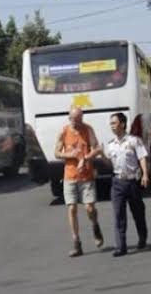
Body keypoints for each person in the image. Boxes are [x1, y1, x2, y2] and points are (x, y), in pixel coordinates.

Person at [97, 112, 150, 257]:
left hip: (132, 181)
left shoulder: (134, 141)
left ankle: (142, 238)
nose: (112, 126)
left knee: (138, 212)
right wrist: (102, 155)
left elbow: (142, 157)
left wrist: (145, 174)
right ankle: (121, 247)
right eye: (111, 124)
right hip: (117, 182)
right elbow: (109, 164)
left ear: (122, 124)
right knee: (118, 215)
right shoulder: (111, 145)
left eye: (114, 123)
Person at [54, 107, 104, 257]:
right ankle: (77, 243)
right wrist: (70, 154)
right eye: (74, 119)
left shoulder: (88, 129)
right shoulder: (64, 132)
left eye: (80, 119)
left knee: (89, 208)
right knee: (72, 208)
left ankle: (95, 225)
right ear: (69, 118)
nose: (77, 122)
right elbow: (56, 153)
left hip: (86, 176)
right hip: (70, 176)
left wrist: (85, 159)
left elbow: (97, 149)